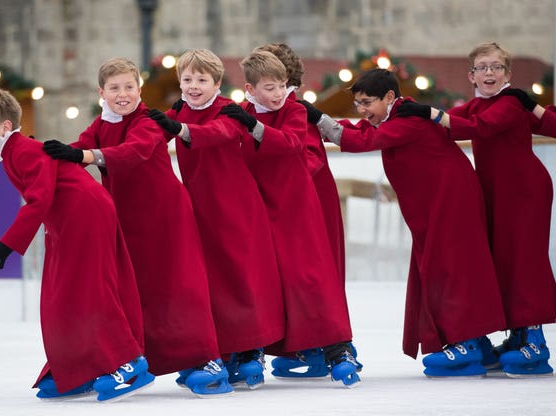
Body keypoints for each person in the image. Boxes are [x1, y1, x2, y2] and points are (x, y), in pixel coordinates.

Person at [42, 58, 232, 397]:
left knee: (180, 288)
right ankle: (120, 359)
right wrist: (42, 154)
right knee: (134, 293)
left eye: (129, 87)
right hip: (126, 220)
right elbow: (78, 146)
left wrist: (85, 157)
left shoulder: (147, 121)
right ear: (101, 92)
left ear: (139, 90)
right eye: (114, 88)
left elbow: (134, 151)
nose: (123, 94)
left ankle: (206, 359)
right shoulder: (102, 123)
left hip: (166, 218)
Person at [305, 68, 508, 377]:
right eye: (358, 103)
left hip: (450, 202)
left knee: (452, 267)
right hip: (434, 205)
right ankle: (473, 340)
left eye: (367, 102)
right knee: (444, 267)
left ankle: (466, 342)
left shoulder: (410, 119)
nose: (362, 110)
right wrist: (326, 123)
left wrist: (320, 119)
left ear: (389, 97)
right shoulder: (396, 115)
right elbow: (361, 129)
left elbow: (365, 140)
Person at [0, 89, 154, 402]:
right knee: (63, 294)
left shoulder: (23, 149)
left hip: (84, 214)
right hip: (67, 221)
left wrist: (8, 242)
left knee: (90, 288)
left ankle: (129, 362)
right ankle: (78, 365)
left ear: (6, 126)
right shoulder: (11, 153)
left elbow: (39, 199)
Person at [396, 42, 556, 378]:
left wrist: (431, 113)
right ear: (471, 75)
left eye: (496, 67)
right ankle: (518, 336)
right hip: (494, 192)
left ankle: (536, 340)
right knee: (502, 263)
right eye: (482, 67)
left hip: (524, 193)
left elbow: (477, 128)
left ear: (508, 74)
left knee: (523, 262)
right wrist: (410, 117)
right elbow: (451, 123)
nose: (489, 73)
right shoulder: (478, 104)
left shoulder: (511, 102)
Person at [220, 50, 361, 387]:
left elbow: (294, 144)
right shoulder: (240, 113)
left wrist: (253, 127)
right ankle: (251, 348)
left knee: (309, 276)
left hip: (295, 205)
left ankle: (337, 347)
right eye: (271, 87)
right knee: (260, 278)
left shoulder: (294, 111)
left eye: (283, 85)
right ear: (251, 90)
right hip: (258, 207)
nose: (279, 93)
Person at [147, 49, 285, 389]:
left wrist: (177, 129)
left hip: (236, 207)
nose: (194, 86)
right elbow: (147, 137)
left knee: (242, 276)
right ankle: (224, 348)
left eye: (202, 80)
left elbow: (217, 134)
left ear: (217, 83)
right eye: (187, 79)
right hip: (199, 209)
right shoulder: (177, 111)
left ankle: (252, 349)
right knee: (215, 282)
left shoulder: (228, 111)